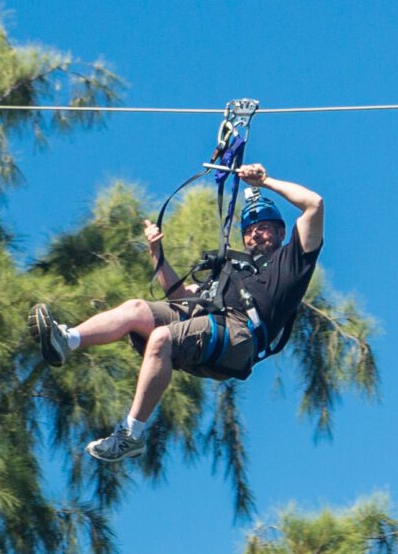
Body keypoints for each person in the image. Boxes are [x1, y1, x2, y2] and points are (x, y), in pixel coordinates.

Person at [28, 163, 323, 461]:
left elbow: (314, 204)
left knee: (160, 338)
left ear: (280, 231)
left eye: (263, 228)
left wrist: (266, 181)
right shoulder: (233, 270)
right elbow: (180, 296)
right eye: (250, 231)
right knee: (136, 310)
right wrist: (157, 253)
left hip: (240, 334)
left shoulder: (292, 262)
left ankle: (131, 434)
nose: (256, 235)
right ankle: (67, 340)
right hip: (212, 321)